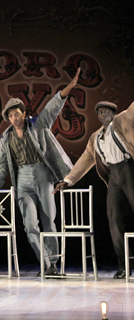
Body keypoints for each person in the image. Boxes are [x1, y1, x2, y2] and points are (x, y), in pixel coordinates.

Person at [0, 68, 81, 277]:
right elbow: (2, 166)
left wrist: (66, 90)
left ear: (24, 114)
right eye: (10, 115)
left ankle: (53, 263)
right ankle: (44, 264)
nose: (14, 117)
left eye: (17, 113)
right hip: (23, 179)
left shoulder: (38, 125)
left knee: (48, 220)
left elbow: (52, 109)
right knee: (29, 224)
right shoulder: (5, 138)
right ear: (7, 118)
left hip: (43, 174)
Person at [54, 100, 134, 279]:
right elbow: (85, 159)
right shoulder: (96, 138)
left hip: (129, 169)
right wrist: (68, 180)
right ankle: (124, 266)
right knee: (114, 220)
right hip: (113, 176)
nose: (103, 115)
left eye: (107, 111)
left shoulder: (123, 120)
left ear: (114, 113)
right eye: (100, 112)